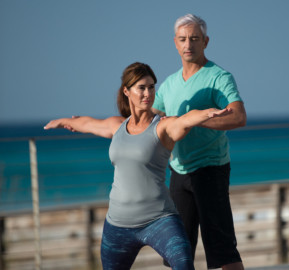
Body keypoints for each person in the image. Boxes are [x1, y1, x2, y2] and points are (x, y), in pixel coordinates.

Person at [44, 62, 231, 270]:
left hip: (159, 220)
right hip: (117, 225)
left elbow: (185, 120)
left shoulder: (162, 127)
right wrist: (62, 122)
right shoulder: (117, 126)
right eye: (141, 87)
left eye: (151, 87)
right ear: (127, 91)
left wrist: (207, 113)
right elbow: (88, 124)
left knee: (183, 263)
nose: (148, 93)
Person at [152, 14, 247, 270]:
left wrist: (194, 120)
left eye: (194, 39)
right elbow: (149, 119)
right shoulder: (169, 84)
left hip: (210, 169)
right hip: (178, 172)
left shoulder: (218, 77)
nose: (188, 45)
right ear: (175, 43)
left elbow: (238, 117)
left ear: (205, 41)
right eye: (182, 39)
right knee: (177, 251)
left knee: (222, 250)